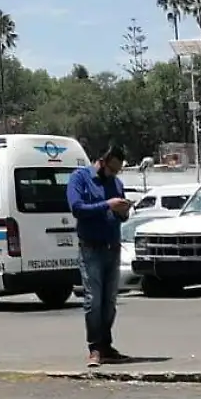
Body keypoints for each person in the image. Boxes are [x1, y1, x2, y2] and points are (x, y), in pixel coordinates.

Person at [67, 146, 133, 367]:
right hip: (91, 248)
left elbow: (121, 215)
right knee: (93, 299)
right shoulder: (80, 178)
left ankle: (106, 345)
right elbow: (77, 208)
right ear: (102, 162)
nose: (115, 174)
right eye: (113, 169)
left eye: (118, 171)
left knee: (109, 301)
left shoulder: (116, 184)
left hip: (112, 247)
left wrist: (123, 210)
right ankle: (94, 347)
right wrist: (107, 204)